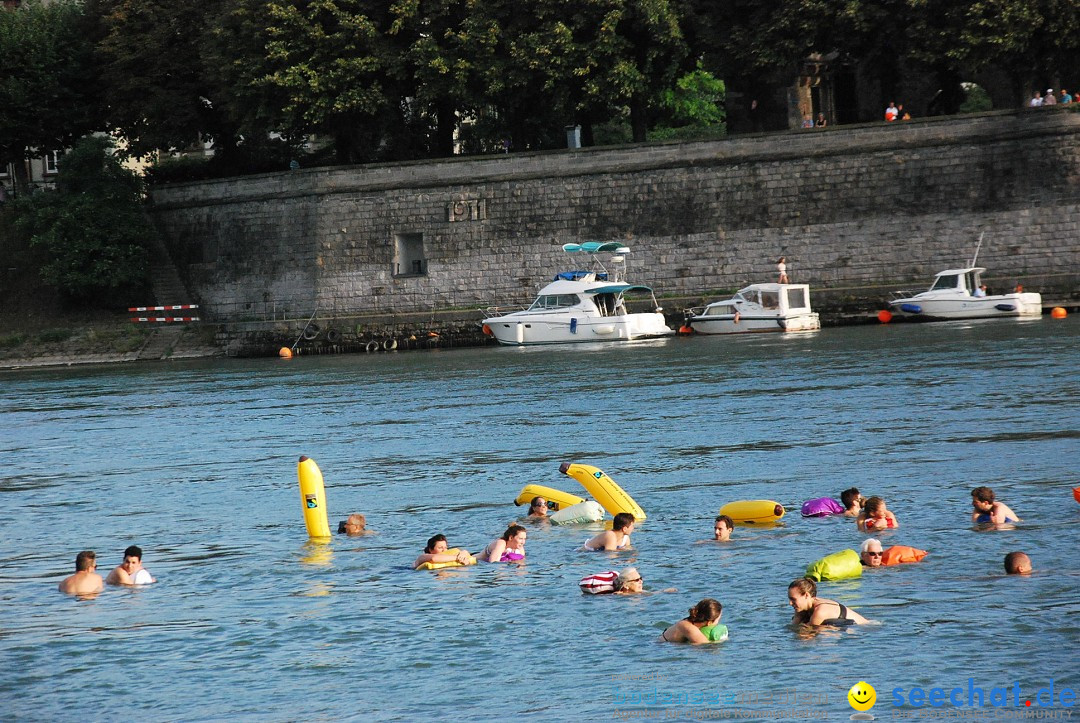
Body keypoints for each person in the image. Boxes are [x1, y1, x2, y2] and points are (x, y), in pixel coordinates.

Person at [787, 578, 868, 626]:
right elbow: (794, 625)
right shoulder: (804, 608)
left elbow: (805, 635)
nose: (790, 603)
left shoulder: (820, 612)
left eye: (793, 599)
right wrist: (798, 615)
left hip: (864, 628)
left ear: (806, 595)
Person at [659, 598, 725, 643]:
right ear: (710, 622)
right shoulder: (689, 628)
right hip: (662, 647)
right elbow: (705, 645)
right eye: (718, 619)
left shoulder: (692, 621)